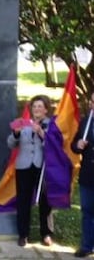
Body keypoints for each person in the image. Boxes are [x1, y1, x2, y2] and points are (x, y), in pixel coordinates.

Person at [7, 94, 54, 247]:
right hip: (24, 166)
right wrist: (16, 134)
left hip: (42, 166)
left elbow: (54, 144)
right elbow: (10, 143)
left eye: (40, 106)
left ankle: (46, 233)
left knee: (45, 201)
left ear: (46, 110)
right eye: (34, 106)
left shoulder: (51, 124)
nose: (37, 109)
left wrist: (41, 132)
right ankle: (23, 234)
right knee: (23, 200)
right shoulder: (23, 123)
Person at [71, 92, 94, 258]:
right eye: (92, 101)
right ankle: (87, 245)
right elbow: (75, 145)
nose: (93, 104)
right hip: (87, 174)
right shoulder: (86, 121)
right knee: (87, 211)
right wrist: (78, 145)